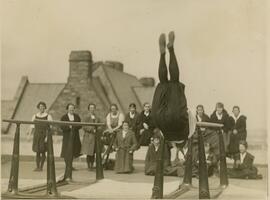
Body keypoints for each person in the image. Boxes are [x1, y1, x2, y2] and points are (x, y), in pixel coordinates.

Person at [151, 31, 189, 142]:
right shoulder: (169, 140)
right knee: (163, 82)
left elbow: (190, 121)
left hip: (176, 118)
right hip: (159, 118)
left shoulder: (186, 136)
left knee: (174, 82)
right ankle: (162, 55)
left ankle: (170, 51)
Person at [28, 101, 52, 171]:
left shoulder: (48, 116)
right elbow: (32, 126)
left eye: (43, 106)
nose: (42, 108)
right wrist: (29, 135)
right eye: (40, 106)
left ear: (45, 107)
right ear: (38, 107)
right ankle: (37, 166)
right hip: (37, 135)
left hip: (44, 135)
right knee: (37, 151)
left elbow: (50, 128)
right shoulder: (35, 116)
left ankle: (41, 167)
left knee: (43, 151)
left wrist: (47, 137)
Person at [60, 103, 82, 175]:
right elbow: (62, 126)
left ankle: (71, 165)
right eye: (70, 108)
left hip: (75, 136)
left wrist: (74, 127)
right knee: (67, 150)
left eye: (72, 108)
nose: (71, 109)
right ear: (67, 109)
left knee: (73, 150)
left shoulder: (76, 116)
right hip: (67, 136)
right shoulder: (64, 117)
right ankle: (68, 165)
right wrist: (68, 127)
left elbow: (80, 125)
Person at [81, 103, 100, 170]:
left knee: (93, 151)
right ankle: (89, 166)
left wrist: (98, 130)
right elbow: (84, 126)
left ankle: (92, 164)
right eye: (91, 108)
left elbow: (99, 124)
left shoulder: (96, 117)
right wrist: (91, 129)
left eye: (93, 108)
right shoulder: (86, 116)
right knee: (89, 152)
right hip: (88, 136)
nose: (92, 109)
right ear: (89, 109)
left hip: (95, 136)